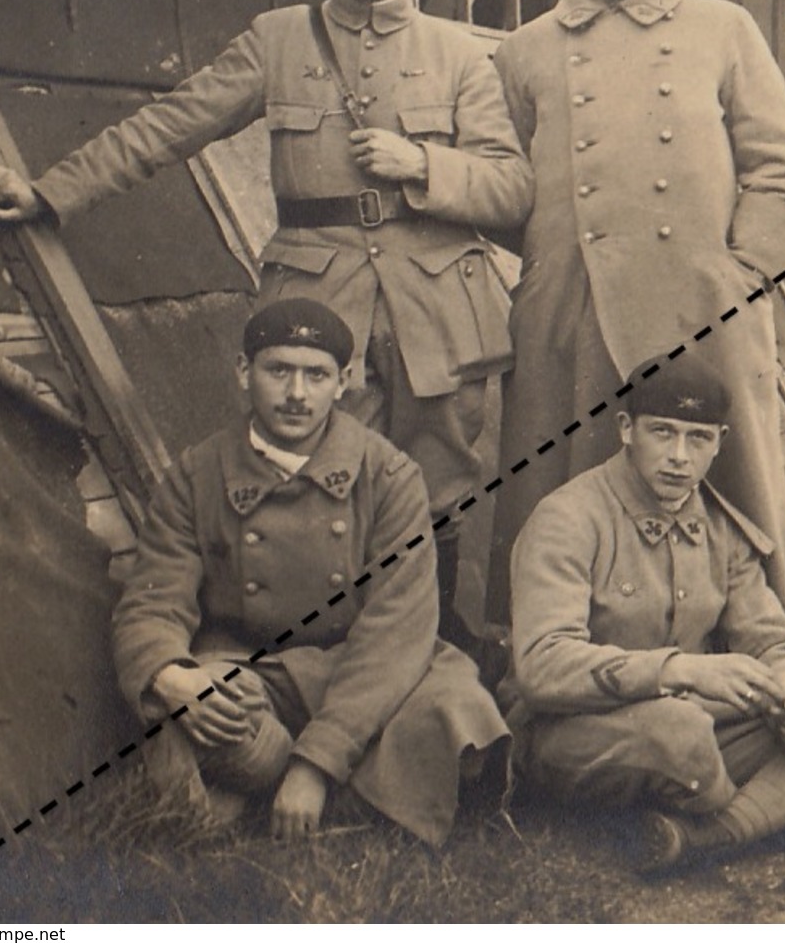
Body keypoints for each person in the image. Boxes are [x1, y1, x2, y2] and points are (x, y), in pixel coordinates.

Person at [0, 0, 530, 647]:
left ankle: (427, 655)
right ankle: (328, 658)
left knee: (435, 491)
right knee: (319, 478)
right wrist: (52, 191)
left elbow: (512, 189)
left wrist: (425, 166)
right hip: (319, 300)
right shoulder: (278, 41)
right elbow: (169, 125)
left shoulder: (458, 54)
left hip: (438, 309)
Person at [487, 0, 785, 629]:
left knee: (727, 482)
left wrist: (741, 273)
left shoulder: (721, 28)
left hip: (704, 306)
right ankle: (559, 646)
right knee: (569, 481)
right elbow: (507, 185)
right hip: (574, 311)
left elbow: (781, 169)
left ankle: (749, 644)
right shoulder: (525, 49)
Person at [112, 297, 509, 843]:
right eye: (278, 371)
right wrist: (168, 674)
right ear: (243, 372)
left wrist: (314, 765)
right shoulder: (197, 472)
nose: (297, 395)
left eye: (316, 375)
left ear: (344, 381)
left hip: (361, 666)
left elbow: (394, 634)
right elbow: (153, 597)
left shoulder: (389, 475)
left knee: (454, 707)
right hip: (254, 669)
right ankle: (328, 796)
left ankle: (277, 785)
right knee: (194, 707)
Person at [506, 355, 785, 873]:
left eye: (698, 439)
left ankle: (698, 838)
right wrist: (677, 669)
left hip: (696, 727)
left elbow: (775, 640)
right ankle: (783, 806)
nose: (679, 458)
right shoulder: (568, 519)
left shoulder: (718, 526)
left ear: (720, 441)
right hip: (574, 731)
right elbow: (542, 666)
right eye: (662, 433)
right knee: (678, 733)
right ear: (626, 429)